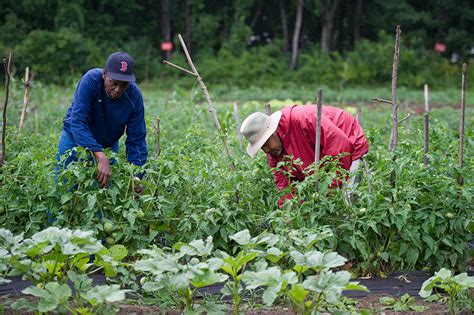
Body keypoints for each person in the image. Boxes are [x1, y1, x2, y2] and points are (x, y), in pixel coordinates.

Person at [240, 104, 369, 206]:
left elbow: (340, 145)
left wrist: (331, 186)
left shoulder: (303, 119)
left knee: (345, 201)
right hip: (322, 155)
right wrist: (288, 209)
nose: (266, 151)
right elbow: (285, 185)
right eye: (262, 148)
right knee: (321, 203)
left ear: (273, 132)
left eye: (266, 144)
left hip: (349, 143)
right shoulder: (274, 153)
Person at [56, 52, 147, 193]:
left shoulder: (134, 96)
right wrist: (100, 156)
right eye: (114, 83)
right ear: (104, 74)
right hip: (74, 139)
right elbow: (78, 121)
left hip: (107, 144)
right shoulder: (91, 80)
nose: (117, 90)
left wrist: (136, 176)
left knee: (103, 195)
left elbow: (137, 139)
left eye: (124, 85)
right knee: (63, 188)